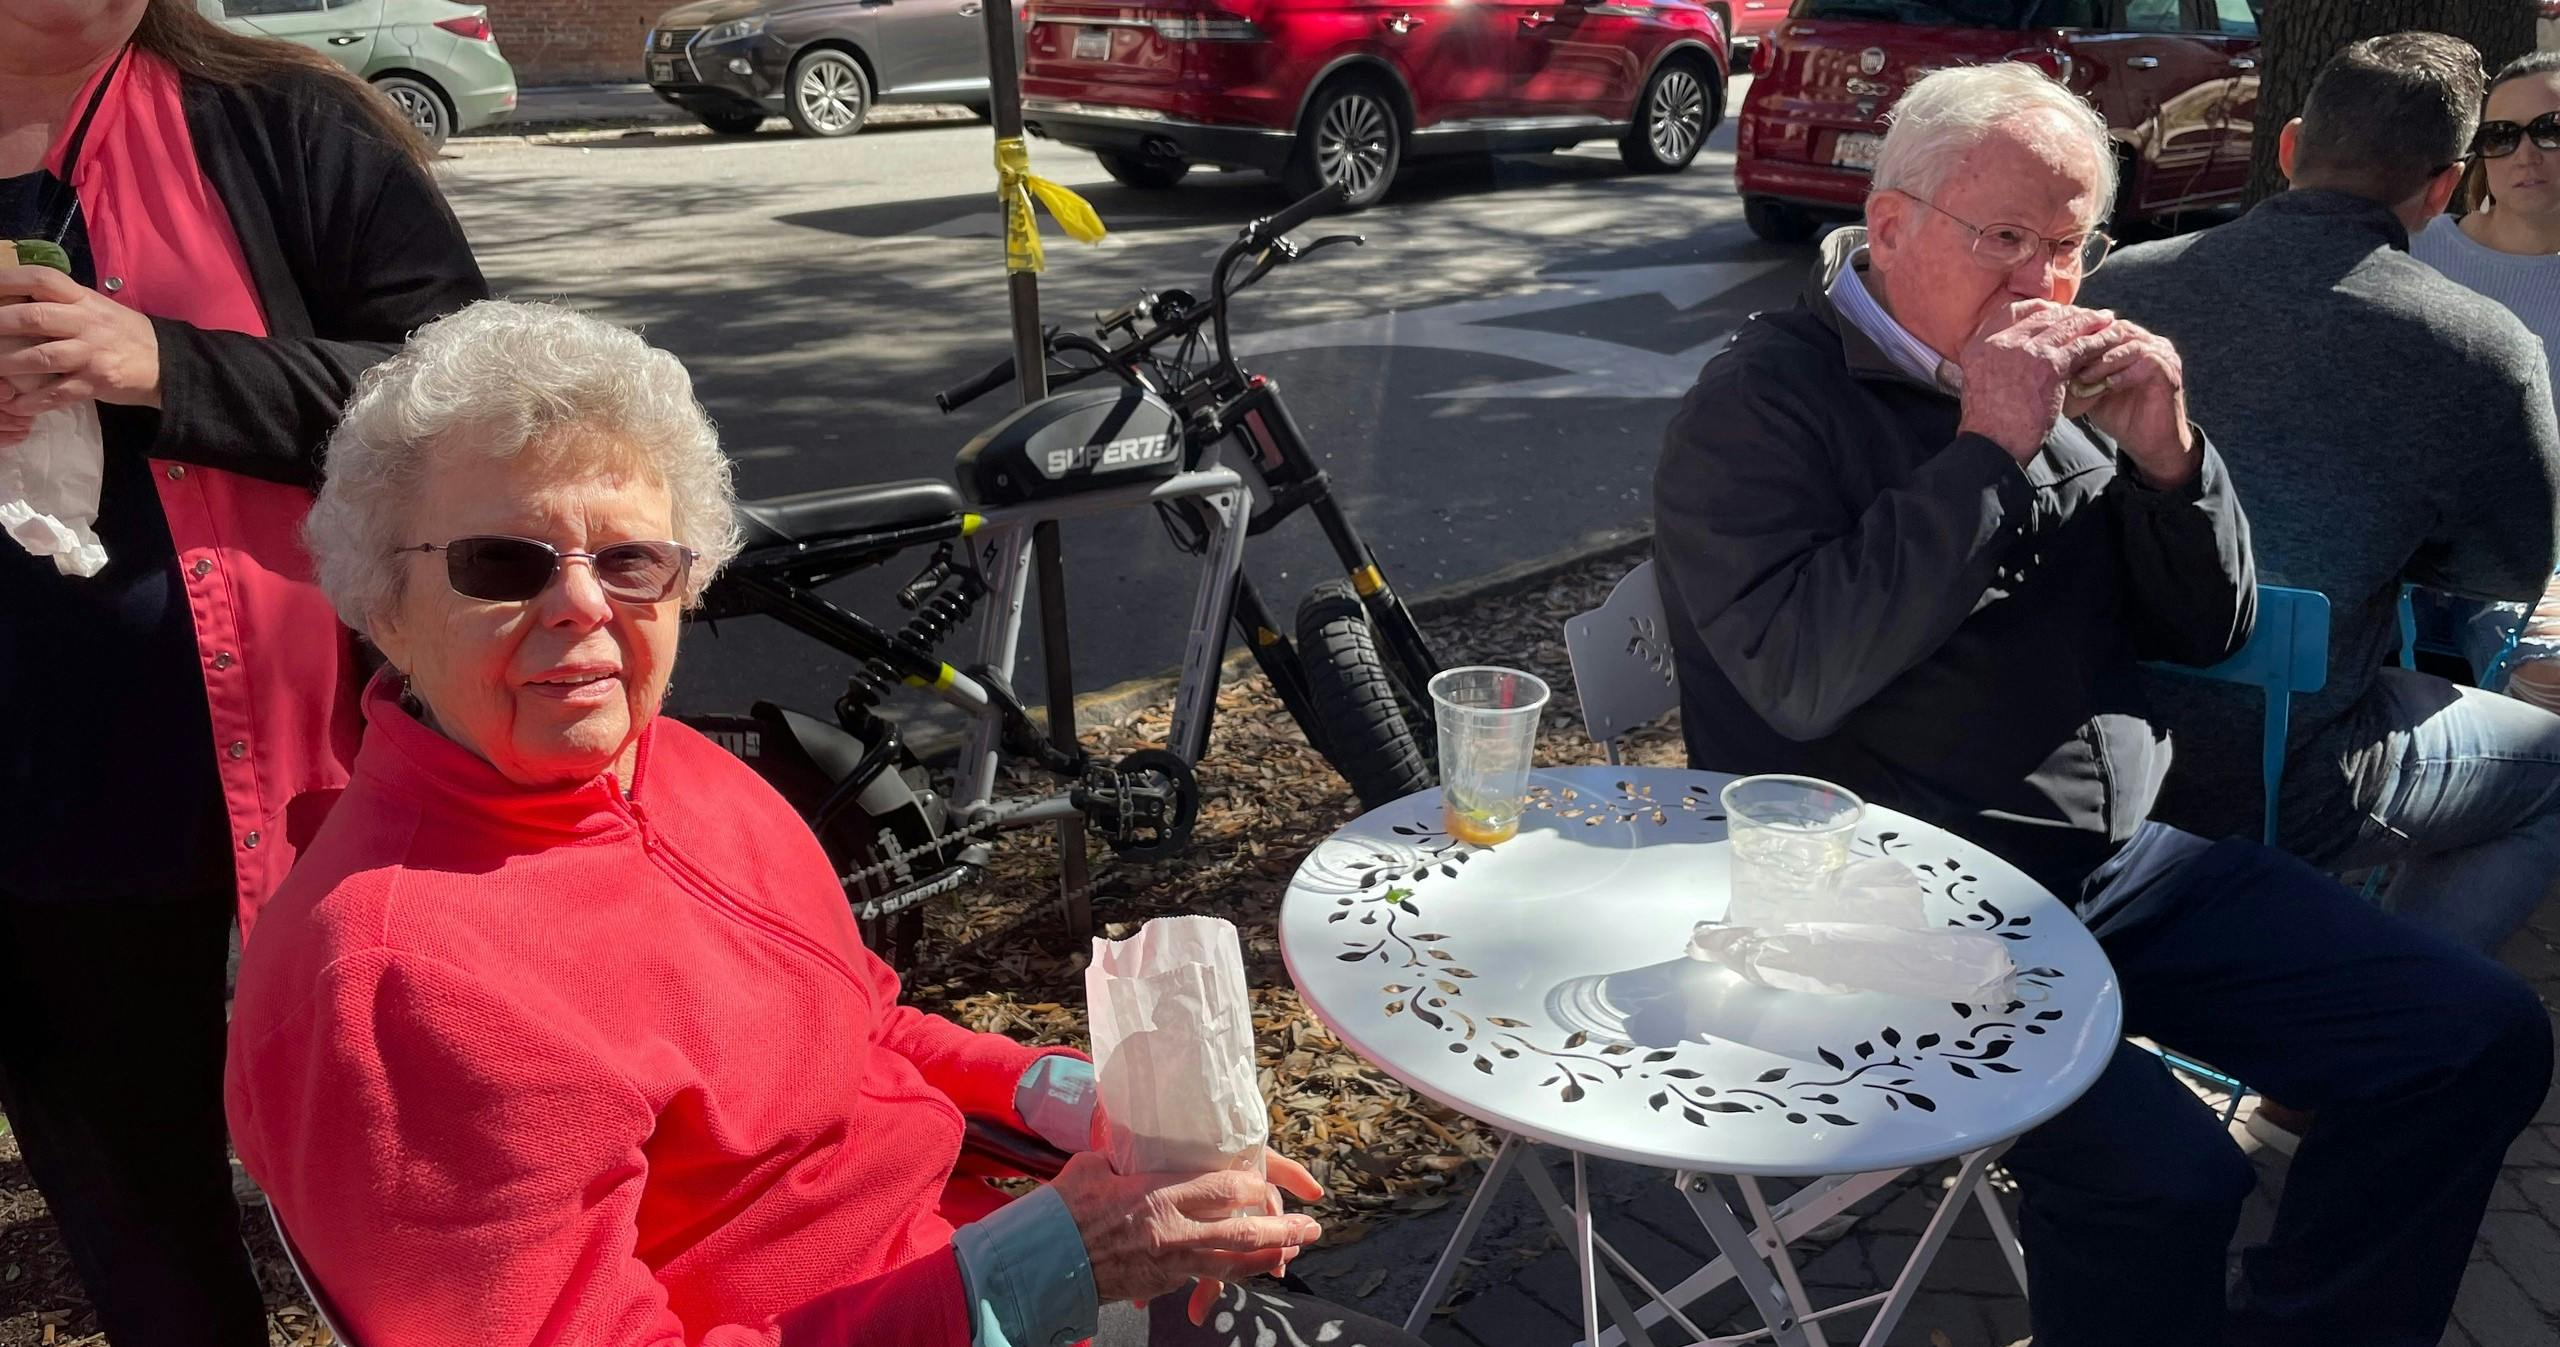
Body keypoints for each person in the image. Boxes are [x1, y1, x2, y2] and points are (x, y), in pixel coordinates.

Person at [226, 301, 1427, 1347]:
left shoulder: (670, 768)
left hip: (970, 1231)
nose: (583, 606)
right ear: (381, 602)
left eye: (632, 559)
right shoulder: (398, 987)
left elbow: (860, 1019)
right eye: (505, 562)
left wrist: (1098, 1109)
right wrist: (1056, 1266)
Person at [1651, 60, 2549, 1347]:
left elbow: (2208, 625)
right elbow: (1801, 675)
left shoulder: (2044, 380)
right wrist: (1984, 454)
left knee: (2477, 1036)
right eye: (2004, 237)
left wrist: (2173, 461)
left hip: (2111, 867)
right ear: (1891, 222)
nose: (2039, 283)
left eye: (2070, 247)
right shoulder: (1764, 404)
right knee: (2169, 1181)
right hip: (1882, 906)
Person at [0, 2, 486, 1343]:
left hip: (306, 771)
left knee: (403, 1174)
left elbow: (470, 394)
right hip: (34, 819)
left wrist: (162, 361)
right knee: (140, 1225)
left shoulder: (282, 123)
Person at [2076, 33, 2560, 958]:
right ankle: (2355, 1042)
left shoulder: (2116, 287)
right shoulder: (2482, 347)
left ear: (2290, 148)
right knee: (2549, 776)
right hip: (2287, 779)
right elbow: (2506, 569)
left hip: (2083, 746)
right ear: (2444, 187)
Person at [2410, 48, 2560, 714]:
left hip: (2535, 556)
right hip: (2397, 543)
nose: (2525, 154)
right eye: (2500, 136)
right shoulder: (2413, 250)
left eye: (2551, 129)